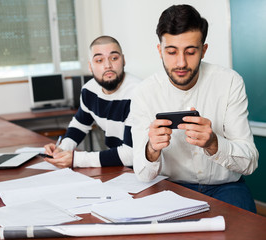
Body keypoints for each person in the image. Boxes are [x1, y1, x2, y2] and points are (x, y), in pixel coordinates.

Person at [130, 4, 258, 212]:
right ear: (159, 51)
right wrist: (152, 149)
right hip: (172, 188)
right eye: (171, 52)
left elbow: (250, 163)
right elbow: (143, 174)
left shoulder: (230, 82)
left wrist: (214, 144)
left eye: (190, 52)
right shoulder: (143, 93)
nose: (181, 63)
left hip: (227, 186)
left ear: (203, 50)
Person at [44, 35, 141, 168]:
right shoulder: (89, 90)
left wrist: (76, 160)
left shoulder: (138, 93)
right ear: (90, 66)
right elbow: (79, 125)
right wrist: (62, 149)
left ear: (123, 60)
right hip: (118, 167)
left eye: (114, 58)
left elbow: (131, 153)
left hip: (142, 169)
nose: (108, 65)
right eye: (99, 60)